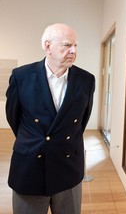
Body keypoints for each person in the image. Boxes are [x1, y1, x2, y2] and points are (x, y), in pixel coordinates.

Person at [5, 23, 95, 214]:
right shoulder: (21, 76)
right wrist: (34, 140)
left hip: (68, 166)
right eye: (67, 45)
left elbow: (80, 122)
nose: (73, 50)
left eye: (76, 45)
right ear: (48, 47)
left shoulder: (86, 80)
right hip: (30, 167)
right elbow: (14, 118)